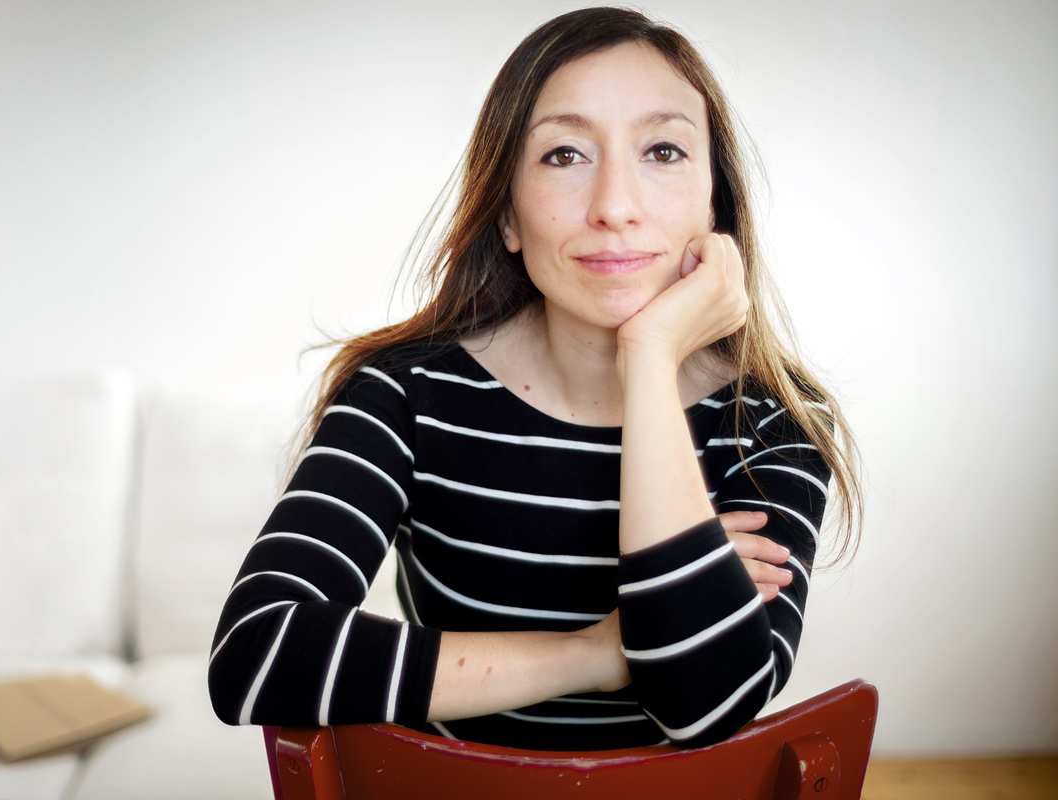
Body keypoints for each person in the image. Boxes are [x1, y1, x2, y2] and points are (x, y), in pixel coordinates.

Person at [206, 7, 862, 751]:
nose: (615, 207)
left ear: (716, 205)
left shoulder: (774, 424)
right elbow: (255, 655)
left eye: (663, 151)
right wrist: (596, 652)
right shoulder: (402, 396)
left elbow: (706, 704)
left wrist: (649, 357)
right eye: (564, 155)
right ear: (508, 216)